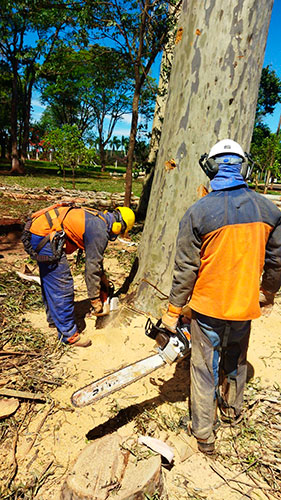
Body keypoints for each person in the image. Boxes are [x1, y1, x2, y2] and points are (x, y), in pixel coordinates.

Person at [162, 139, 281, 455]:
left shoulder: (198, 211)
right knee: (236, 360)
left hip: (209, 306)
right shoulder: (269, 210)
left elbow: (186, 267)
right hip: (244, 305)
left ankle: (204, 434)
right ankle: (231, 413)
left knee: (203, 369)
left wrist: (174, 309)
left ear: (211, 168)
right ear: (243, 166)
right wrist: (267, 292)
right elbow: (277, 260)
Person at [22, 204, 135, 347]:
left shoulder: (99, 219)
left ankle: (54, 320)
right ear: (119, 227)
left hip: (38, 229)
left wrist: (103, 280)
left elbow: (96, 263)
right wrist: (95, 300)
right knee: (62, 285)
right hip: (44, 235)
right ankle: (69, 335)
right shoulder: (100, 232)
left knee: (50, 279)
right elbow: (91, 268)